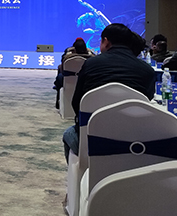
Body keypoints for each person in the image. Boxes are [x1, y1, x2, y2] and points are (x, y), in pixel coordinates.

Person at [62, 23, 155, 162]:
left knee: (68, 134)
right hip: (135, 142)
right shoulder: (147, 70)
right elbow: (147, 102)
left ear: (106, 41)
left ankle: (82, 170)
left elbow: (77, 102)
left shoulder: (91, 64)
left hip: (91, 138)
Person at [54, 38, 94, 108]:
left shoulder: (68, 57)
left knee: (60, 76)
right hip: (86, 81)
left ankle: (58, 101)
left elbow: (63, 69)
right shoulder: (91, 58)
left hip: (69, 81)